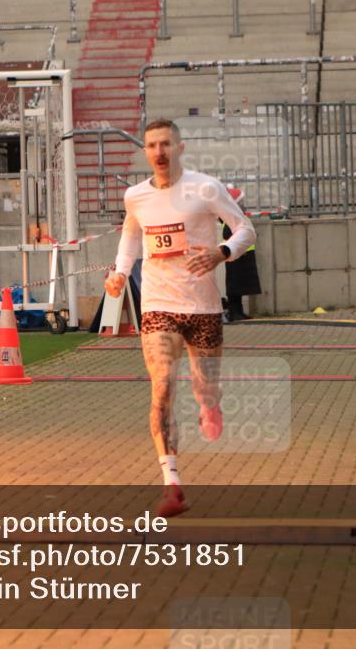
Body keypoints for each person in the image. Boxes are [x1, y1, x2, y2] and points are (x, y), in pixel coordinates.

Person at [105, 119, 256, 517]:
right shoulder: (135, 196)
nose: (159, 152)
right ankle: (172, 485)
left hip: (202, 306)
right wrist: (120, 271)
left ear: (180, 147)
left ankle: (210, 404)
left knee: (204, 388)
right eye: (152, 145)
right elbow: (132, 237)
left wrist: (222, 252)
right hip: (158, 304)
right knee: (163, 386)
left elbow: (246, 229)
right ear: (145, 152)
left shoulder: (205, 188)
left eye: (166, 144)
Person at [220, 189, 261, 322]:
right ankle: (234, 312)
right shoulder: (230, 220)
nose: (243, 204)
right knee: (234, 288)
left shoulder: (237, 218)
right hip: (235, 259)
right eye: (241, 202)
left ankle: (239, 312)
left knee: (240, 287)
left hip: (243, 257)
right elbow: (229, 235)